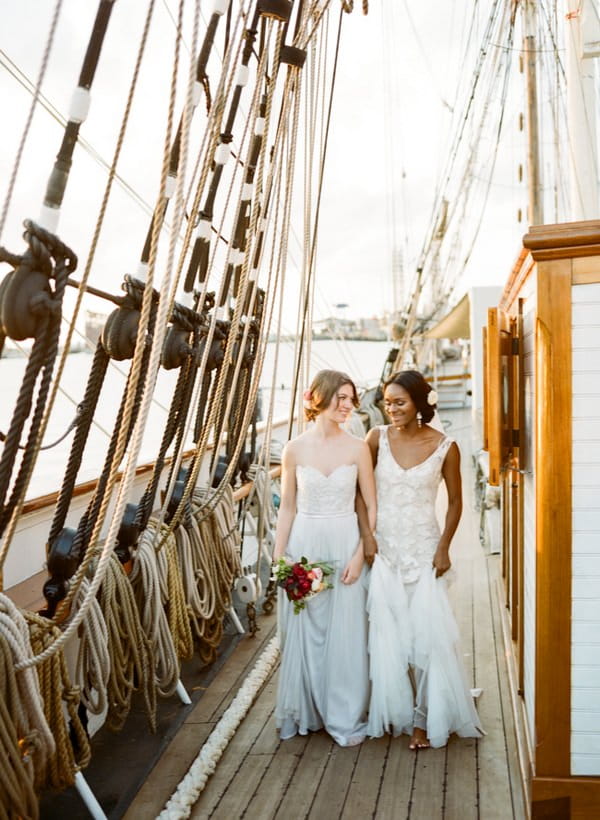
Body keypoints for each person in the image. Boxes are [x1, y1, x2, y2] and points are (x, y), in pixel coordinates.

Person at [359, 370, 483, 750]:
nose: (391, 408)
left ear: (419, 404)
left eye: (399, 402)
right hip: (385, 549)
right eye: (387, 401)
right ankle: (398, 710)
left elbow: (457, 501)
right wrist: (366, 536)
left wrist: (444, 546)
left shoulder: (446, 446)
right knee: (390, 633)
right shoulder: (375, 438)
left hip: (426, 550)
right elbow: (360, 493)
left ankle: (425, 721)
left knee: (428, 636)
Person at [273, 369, 377, 746]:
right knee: (309, 628)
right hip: (305, 540)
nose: (348, 405)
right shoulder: (294, 449)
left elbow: (370, 506)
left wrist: (359, 555)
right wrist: (279, 557)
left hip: (345, 539)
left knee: (346, 631)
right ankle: (310, 712)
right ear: (318, 398)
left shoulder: (357, 447)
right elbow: (287, 507)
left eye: (352, 399)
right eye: (342, 398)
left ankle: (343, 712)